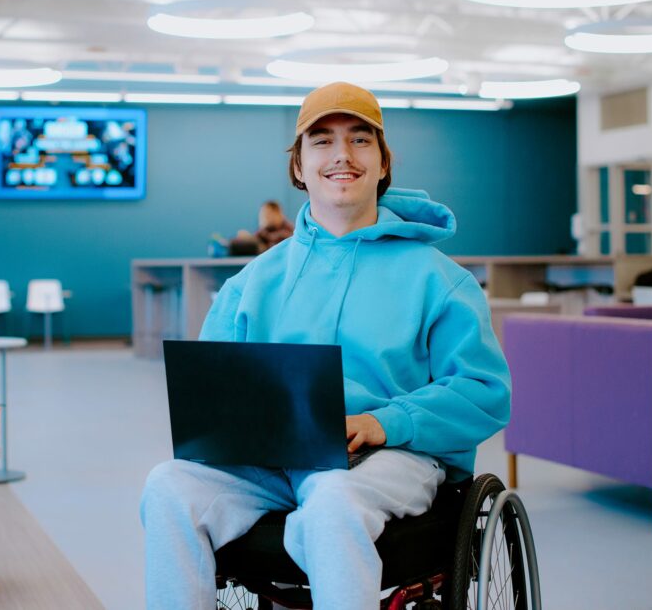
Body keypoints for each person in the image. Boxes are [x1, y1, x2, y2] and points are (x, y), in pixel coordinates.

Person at [140, 82, 511, 610]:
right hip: (271, 465)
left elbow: (485, 392)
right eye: (322, 141)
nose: (341, 155)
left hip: (391, 459)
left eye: (360, 140)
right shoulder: (251, 283)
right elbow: (215, 397)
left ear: (384, 164)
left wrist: (386, 421)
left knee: (332, 498)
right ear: (298, 166)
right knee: (167, 486)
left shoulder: (439, 280)